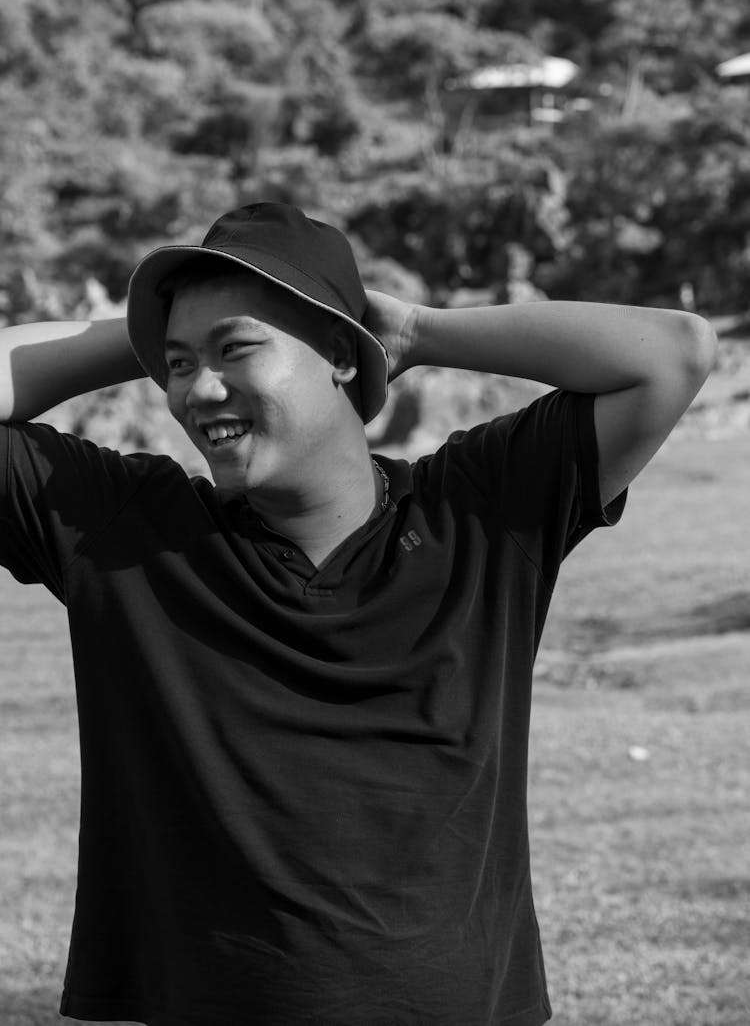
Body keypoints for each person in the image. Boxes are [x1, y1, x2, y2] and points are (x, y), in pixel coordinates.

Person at [0, 202, 716, 1026]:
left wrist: (418, 330)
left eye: (236, 348)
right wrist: (143, 333)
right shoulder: (128, 532)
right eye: (177, 364)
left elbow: (675, 352)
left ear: (340, 353)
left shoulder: (480, 512)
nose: (197, 388)